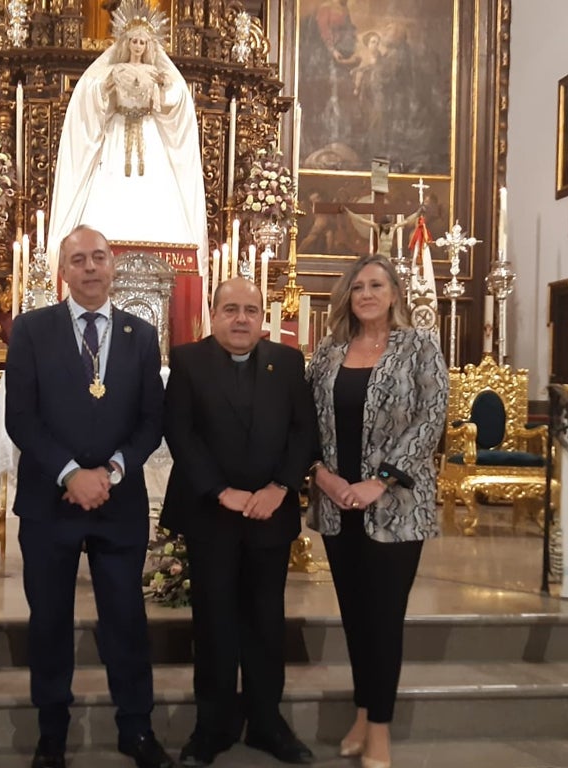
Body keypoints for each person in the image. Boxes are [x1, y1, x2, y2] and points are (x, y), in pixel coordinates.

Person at [5, 225, 173, 768]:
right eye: (78, 259)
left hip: (117, 504)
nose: (91, 268)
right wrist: (72, 473)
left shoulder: (140, 334)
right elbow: (21, 418)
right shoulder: (31, 330)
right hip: (49, 503)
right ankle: (51, 733)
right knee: (49, 622)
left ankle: (136, 728)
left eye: (99, 257)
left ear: (112, 264)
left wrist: (115, 470)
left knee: (126, 620)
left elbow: (152, 420)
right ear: (64, 269)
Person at [161, 278, 318, 767]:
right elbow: (179, 431)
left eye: (251, 310)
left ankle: (267, 722)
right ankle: (213, 724)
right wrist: (220, 490)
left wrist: (280, 488)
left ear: (263, 316)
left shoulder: (288, 362)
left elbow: (304, 431)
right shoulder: (188, 361)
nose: (242, 318)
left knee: (267, 622)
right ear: (213, 313)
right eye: (231, 309)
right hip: (212, 514)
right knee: (213, 622)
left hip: (270, 514)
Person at [305, 254, 447, 768]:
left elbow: (431, 419)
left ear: (394, 294)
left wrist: (379, 482)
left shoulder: (419, 347)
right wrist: (322, 475)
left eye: (377, 285)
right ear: (348, 295)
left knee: (384, 619)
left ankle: (380, 730)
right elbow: (307, 422)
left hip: (397, 508)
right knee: (354, 617)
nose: (367, 293)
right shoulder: (327, 353)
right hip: (337, 505)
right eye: (358, 286)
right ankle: (363, 712)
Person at [46, 0, 206, 271]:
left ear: (149, 45)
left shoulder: (157, 73)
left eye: (143, 42)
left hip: (149, 137)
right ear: (126, 42)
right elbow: (95, 97)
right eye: (133, 41)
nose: (138, 47)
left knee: (155, 198)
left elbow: (174, 99)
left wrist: (165, 88)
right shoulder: (113, 71)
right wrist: (104, 88)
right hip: (117, 139)